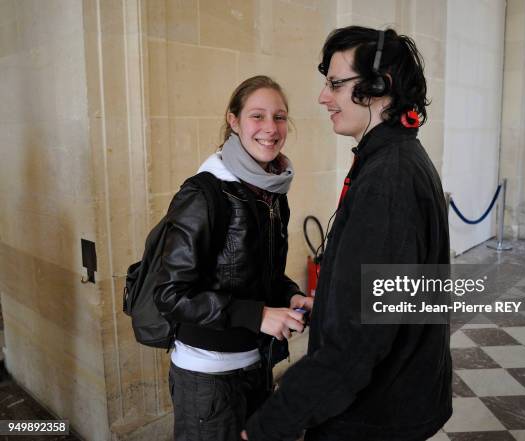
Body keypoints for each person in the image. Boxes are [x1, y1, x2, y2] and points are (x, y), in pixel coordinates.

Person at [243, 26, 452, 441]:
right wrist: (340, 298)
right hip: (396, 398)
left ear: (380, 87)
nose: (324, 97)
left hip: (374, 414)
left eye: (336, 84)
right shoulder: (397, 157)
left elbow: (357, 344)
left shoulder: (389, 177)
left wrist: (270, 423)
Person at [153, 75, 313, 441]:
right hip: (207, 378)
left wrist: (290, 295)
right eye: (257, 116)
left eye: (280, 117)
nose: (271, 129)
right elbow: (170, 294)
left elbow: (263, 274)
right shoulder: (204, 193)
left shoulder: (271, 190)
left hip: (255, 363)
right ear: (234, 120)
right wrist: (256, 315)